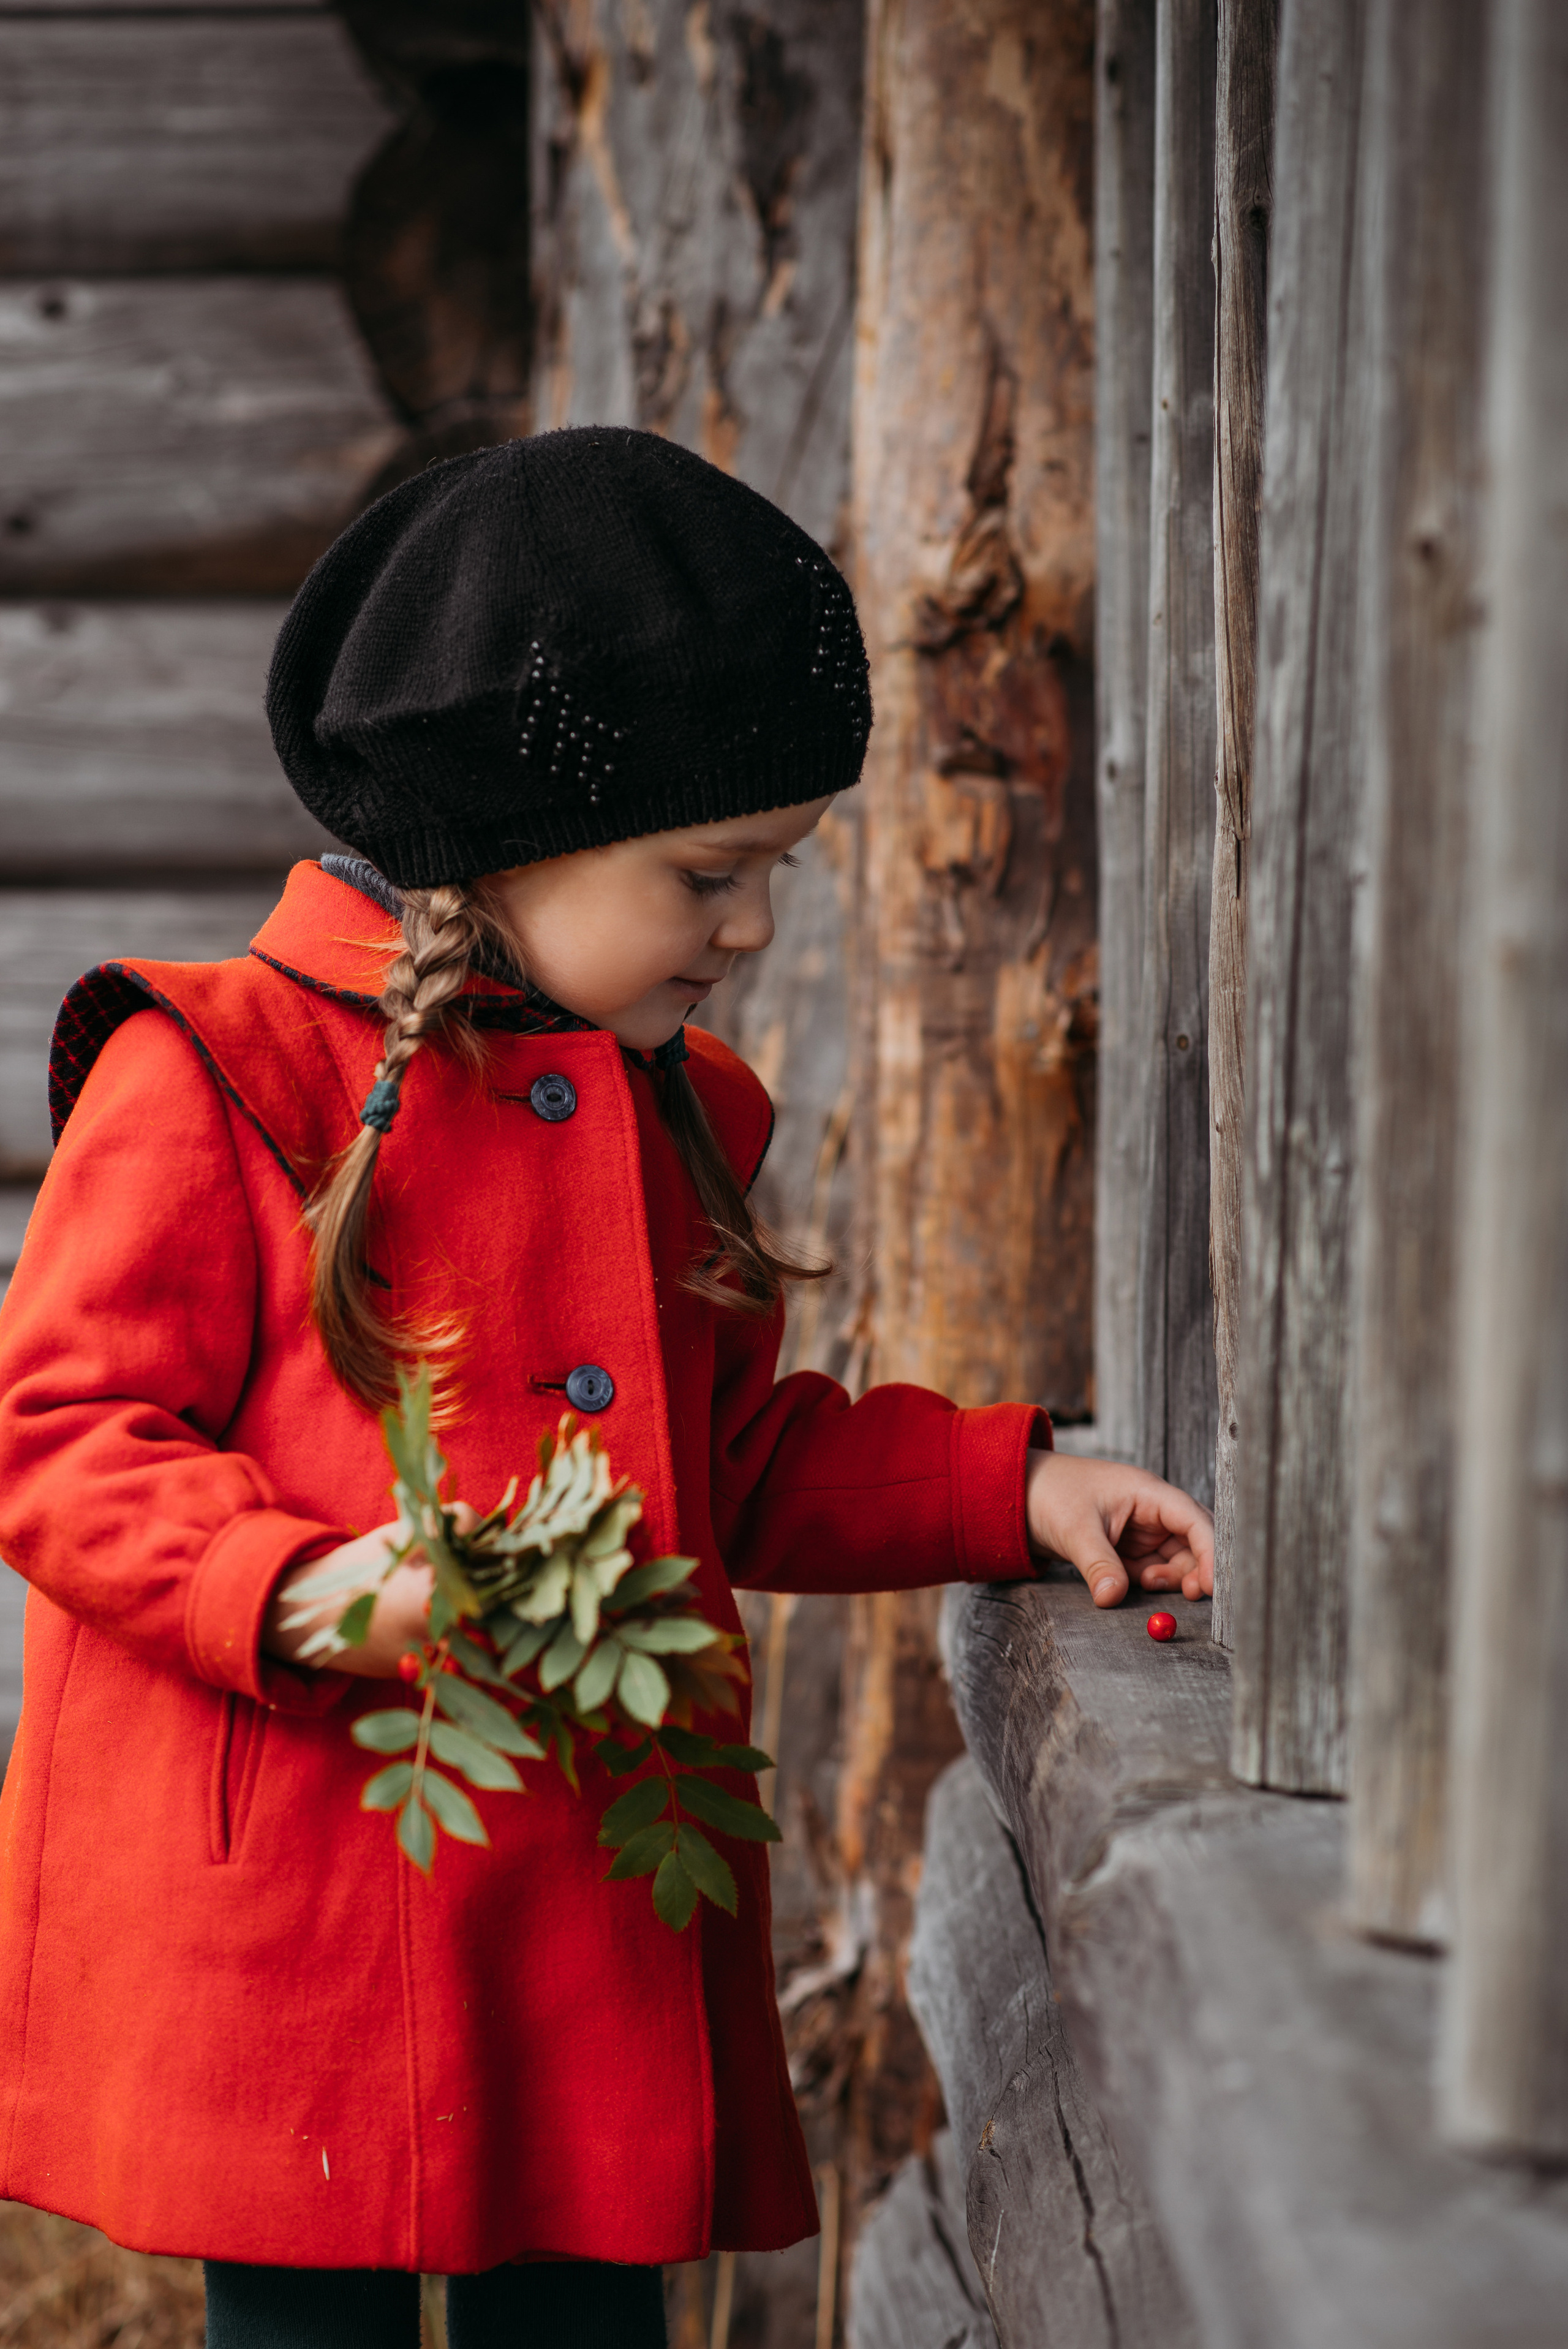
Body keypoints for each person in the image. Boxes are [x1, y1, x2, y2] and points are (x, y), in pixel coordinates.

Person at [0, 431, 1212, 2348]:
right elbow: (64, 1441)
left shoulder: (662, 1116)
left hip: (581, 1897)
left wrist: (1014, 1487)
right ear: (501, 838)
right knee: (305, 2319)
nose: (748, 930)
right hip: (317, 1895)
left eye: (770, 877)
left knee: (582, 2310)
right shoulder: (219, 1077)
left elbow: (724, 1460)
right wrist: (311, 1587)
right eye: (710, 873)